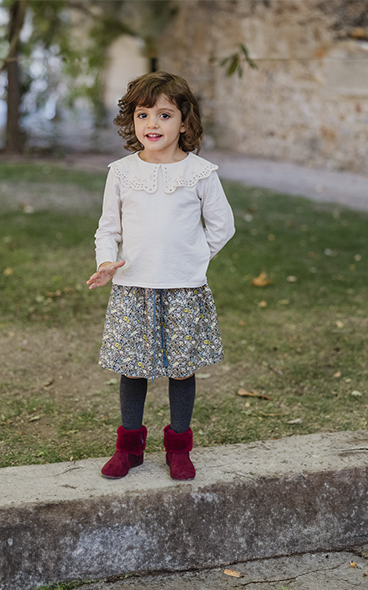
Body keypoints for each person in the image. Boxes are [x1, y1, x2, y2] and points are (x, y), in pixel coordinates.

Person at [86, 72, 236, 481]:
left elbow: (222, 226)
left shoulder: (201, 173)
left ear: (184, 122)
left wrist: (194, 258)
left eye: (165, 114)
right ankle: (129, 447)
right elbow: (108, 228)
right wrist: (105, 262)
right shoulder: (120, 172)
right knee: (133, 368)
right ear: (132, 122)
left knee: (181, 369)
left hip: (184, 288)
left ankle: (179, 448)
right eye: (143, 114)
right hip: (133, 286)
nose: (153, 124)